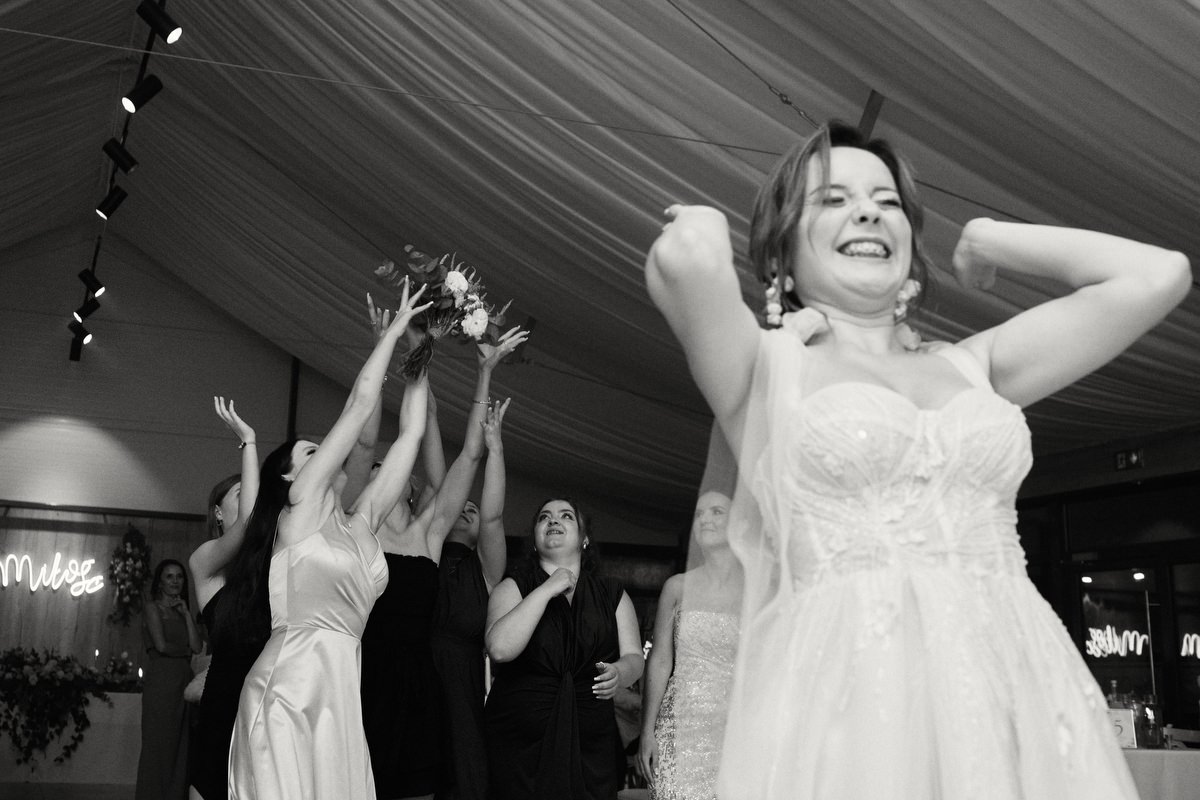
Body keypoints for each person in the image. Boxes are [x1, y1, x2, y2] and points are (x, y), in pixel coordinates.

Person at [645, 120, 1190, 798]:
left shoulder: (975, 364)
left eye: (888, 201)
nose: (868, 211)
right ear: (781, 253)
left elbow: (1157, 276)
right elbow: (685, 264)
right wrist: (700, 228)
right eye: (833, 199)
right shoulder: (764, 371)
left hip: (1015, 682)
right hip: (853, 704)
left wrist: (990, 239)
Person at [227, 284, 430, 800]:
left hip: (341, 699)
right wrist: (391, 333)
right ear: (290, 477)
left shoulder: (362, 525)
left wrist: (421, 349)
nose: (326, 454)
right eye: (312, 452)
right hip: (289, 690)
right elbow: (359, 406)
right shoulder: (298, 509)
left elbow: (410, 436)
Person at [355, 303, 525, 800]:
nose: (385, 471)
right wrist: (386, 347)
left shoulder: (430, 535)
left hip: (418, 682)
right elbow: (364, 435)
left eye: (392, 468)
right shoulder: (358, 529)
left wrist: (484, 372)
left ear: (410, 486)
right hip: (361, 674)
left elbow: (470, 453)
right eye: (377, 469)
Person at [485, 498, 645, 800]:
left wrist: (620, 672)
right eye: (544, 517)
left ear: (584, 539)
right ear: (534, 540)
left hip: (590, 738)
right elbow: (500, 649)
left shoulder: (612, 593)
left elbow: (635, 657)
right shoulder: (513, 586)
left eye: (566, 516)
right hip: (520, 741)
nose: (553, 520)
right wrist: (547, 589)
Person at [638, 491, 740, 800]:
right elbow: (660, 660)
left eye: (716, 511)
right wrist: (647, 731)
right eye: (699, 513)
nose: (705, 519)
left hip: (733, 729)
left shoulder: (754, 589)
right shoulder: (677, 587)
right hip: (677, 727)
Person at [189, 398, 259, 800]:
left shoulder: (265, 567)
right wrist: (249, 442)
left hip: (264, 698)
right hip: (224, 698)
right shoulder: (204, 562)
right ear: (217, 512)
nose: (251, 499)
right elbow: (247, 522)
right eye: (241, 493)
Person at [137, 558, 203, 800]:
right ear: (160, 582)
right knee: (158, 744)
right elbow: (161, 646)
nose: (175, 581)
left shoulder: (182, 611)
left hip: (183, 682)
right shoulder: (152, 608)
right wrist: (184, 651)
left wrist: (186, 614)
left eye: (179, 576)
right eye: (169, 576)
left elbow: (197, 646)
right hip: (162, 681)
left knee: (181, 745)